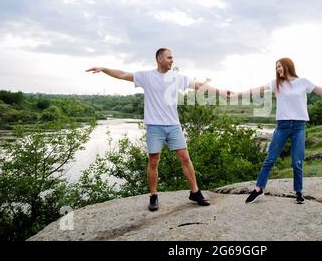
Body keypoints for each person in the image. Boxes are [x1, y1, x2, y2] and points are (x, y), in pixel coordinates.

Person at [86, 47, 229, 211]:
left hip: (174, 126)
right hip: (154, 127)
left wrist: (220, 92)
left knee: (185, 158)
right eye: (169, 58)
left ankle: (195, 192)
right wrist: (104, 69)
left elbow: (198, 85)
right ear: (159, 59)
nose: (172, 60)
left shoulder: (177, 78)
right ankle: (153, 196)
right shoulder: (146, 76)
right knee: (154, 160)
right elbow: (122, 74)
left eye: (172, 58)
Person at [235, 58, 322, 204]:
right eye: (276, 67)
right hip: (282, 126)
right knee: (270, 159)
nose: (278, 69)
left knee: (297, 161)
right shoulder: (276, 83)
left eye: (279, 66)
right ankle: (258, 189)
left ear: (287, 66)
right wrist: (237, 94)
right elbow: (256, 90)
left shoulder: (303, 82)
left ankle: (299, 192)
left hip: (299, 126)